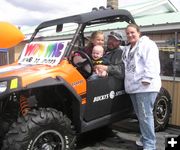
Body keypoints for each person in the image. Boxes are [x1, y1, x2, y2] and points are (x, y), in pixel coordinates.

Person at [122, 23, 161, 150]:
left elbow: (152, 61)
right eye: (127, 33)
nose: (130, 35)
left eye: (132, 32)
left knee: (145, 116)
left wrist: (147, 78)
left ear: (139, 32)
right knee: (141, 116)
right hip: (133, 87)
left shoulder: (147, 44)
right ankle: (145, 138)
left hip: (145, 87)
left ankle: (150, 144)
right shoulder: (128, 49)